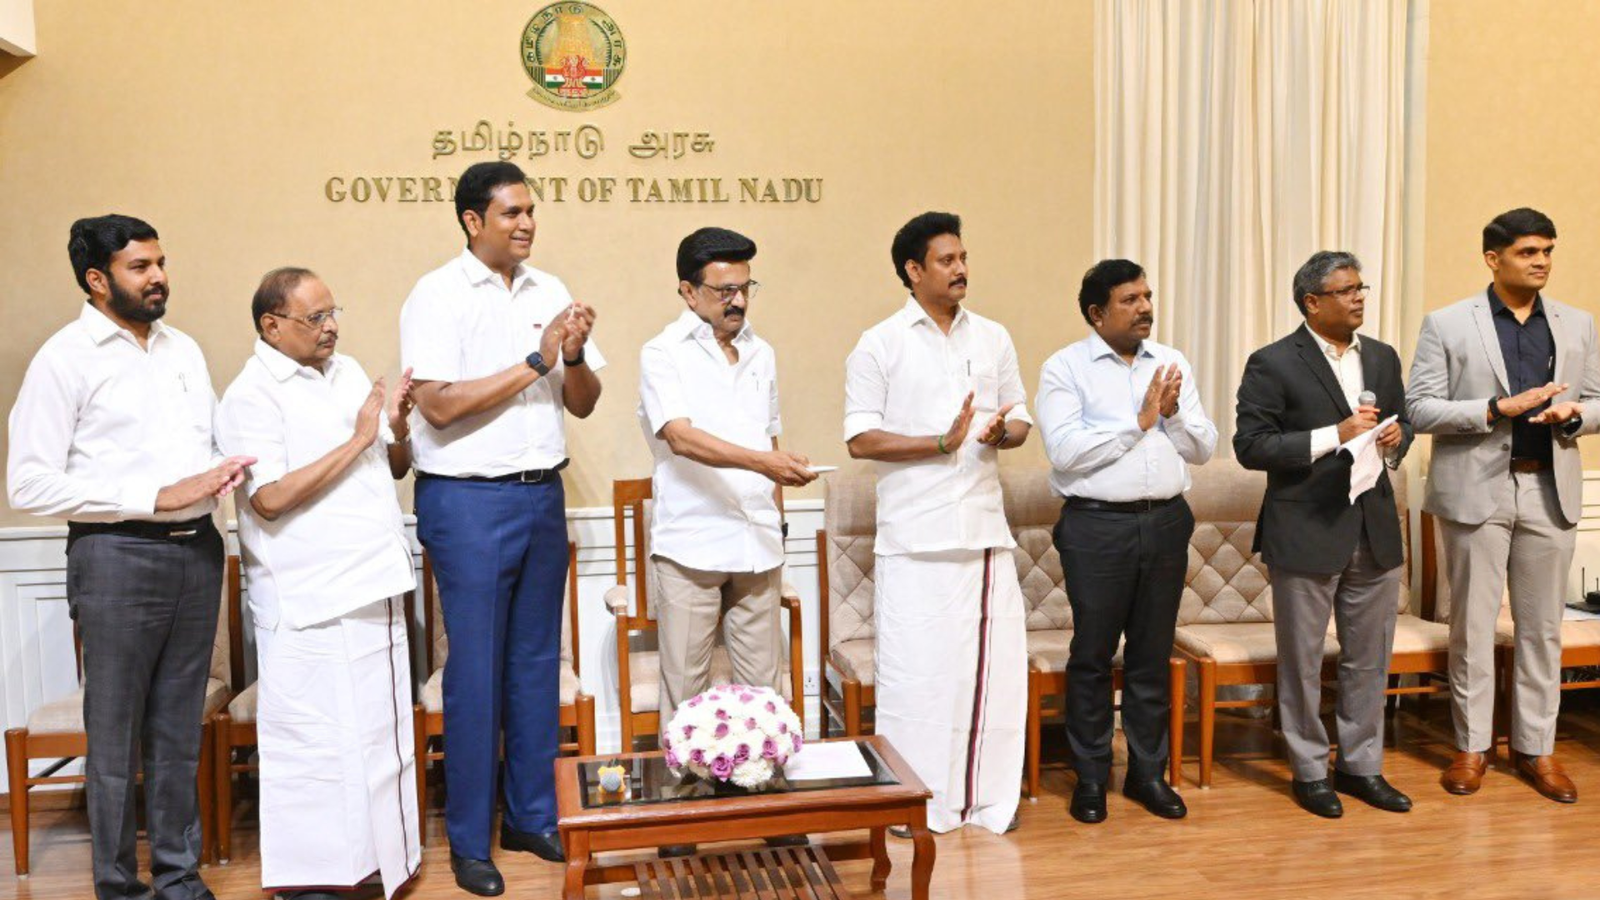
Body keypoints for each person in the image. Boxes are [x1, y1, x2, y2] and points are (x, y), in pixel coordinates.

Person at [7, 215, 253, 900]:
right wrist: (151, 495)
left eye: (160, 263)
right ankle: (117, 885)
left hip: (197, 553)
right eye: (140, 267)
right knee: (114, 736)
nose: (159, 277)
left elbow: (205, 444)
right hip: (116, 557)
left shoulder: (184, 350)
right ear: (96, 279)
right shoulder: (64, 358)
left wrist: (221, 471)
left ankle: (178, 876)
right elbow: (27, 483)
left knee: (178, 730)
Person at [399, 160, 603, 895]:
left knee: (534, 667)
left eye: (530, 211)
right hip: (467, 502)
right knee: (476, 674)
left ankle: (530, 816)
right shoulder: (436, 294)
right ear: (472, 220)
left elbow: (582, 401)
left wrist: (570, 356)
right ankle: (469, 841)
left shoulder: (550, 289)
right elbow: (438, 405)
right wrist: (535, 360)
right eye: (511, 212)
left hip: (540, 494)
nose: (526, 224)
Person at [215, 268, 421, 899]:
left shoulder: (348, 371)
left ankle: (384, 861)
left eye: (334, 313)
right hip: (310, 598)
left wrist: (397, 426)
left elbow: (392, 466)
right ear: (271, 326)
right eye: (315, 318)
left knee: (379, 739)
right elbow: (270, 498)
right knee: (314, 745)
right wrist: (359, 437)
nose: (331, 327)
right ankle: (313, 879)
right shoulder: (250, 397)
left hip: (374, 582)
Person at [843, 211, 1030, 835]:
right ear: (913, 270)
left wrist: (1003, 432)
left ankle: (985, 802)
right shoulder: (879, 343)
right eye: (946, 260)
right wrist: (939, 443)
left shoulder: (993, 336)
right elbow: (860, 438)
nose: (960, 269)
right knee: (916, 681)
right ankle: (914, 804)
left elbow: (1020, 416)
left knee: (990, 680)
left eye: (963, 258)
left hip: (982, 533)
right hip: (914, 538)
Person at [1407, 207, 1600, 803]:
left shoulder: (1577, 323)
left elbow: (1598, 400)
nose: (1541, 262)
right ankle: (1472, 747)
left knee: (1542, 630)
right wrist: (1494, 409)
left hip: (1550, 489)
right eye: (1528, 252)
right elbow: (1419, 408)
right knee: (1471, 628)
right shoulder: (1446, 323)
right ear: (1493, 258)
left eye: (1548, 251)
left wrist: (1576, 414)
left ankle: (1536, 749)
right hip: (1475, 492)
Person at [638, 227, 816, 856]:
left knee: (765, 687)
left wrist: (778, 515)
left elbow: (770, 436)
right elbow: (680, 437)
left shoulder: (761, 352)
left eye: (745, 288)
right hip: (692, 541)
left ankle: (768, 806)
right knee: (685, 689)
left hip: (757, 540)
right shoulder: (662, 353)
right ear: (688, 292)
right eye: (723, 290)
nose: (737, 301)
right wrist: (765, 464)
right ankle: (681, 821)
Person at [1234, 251, 1414, 818]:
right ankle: (1310, 771)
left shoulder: (1381, 356)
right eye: (1346, 290)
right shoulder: (1272, 362)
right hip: (1305, 527)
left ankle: (1361, 766)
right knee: (1303, 660)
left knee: (1369, 659)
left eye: (1362, 287)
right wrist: (1333, 434)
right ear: (1312, 302)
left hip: (1373, 527)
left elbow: (1402, 421)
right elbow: (1251, 446)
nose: (1359, 297)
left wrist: (1397, 440)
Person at [1034, 259, 1213, 824]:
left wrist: (1172, 415)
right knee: (1092, 655)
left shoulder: (1172, 362)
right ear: (1096, 313)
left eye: (1147, 296)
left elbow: (1203, 448)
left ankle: (1146, 774)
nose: (1145, 308)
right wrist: (1138, 422)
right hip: (1096, 527)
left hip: (1167, 522)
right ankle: (1091, 777)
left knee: (1151, 655)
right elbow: (1066, 452)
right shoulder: (1066, 368)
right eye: (1130, 300)